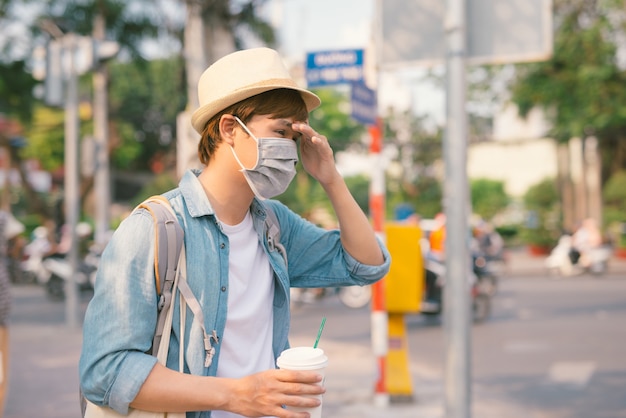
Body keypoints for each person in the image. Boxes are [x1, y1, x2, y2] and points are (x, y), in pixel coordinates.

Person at [79, 47, 391, 418]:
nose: (290, 149)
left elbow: (366, 265)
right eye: (280, 131)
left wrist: (331, 178)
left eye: (294, 137)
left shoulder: (274, 225)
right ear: (229, 128)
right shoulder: (152, 229)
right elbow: (104, 372)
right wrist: (233, 395)